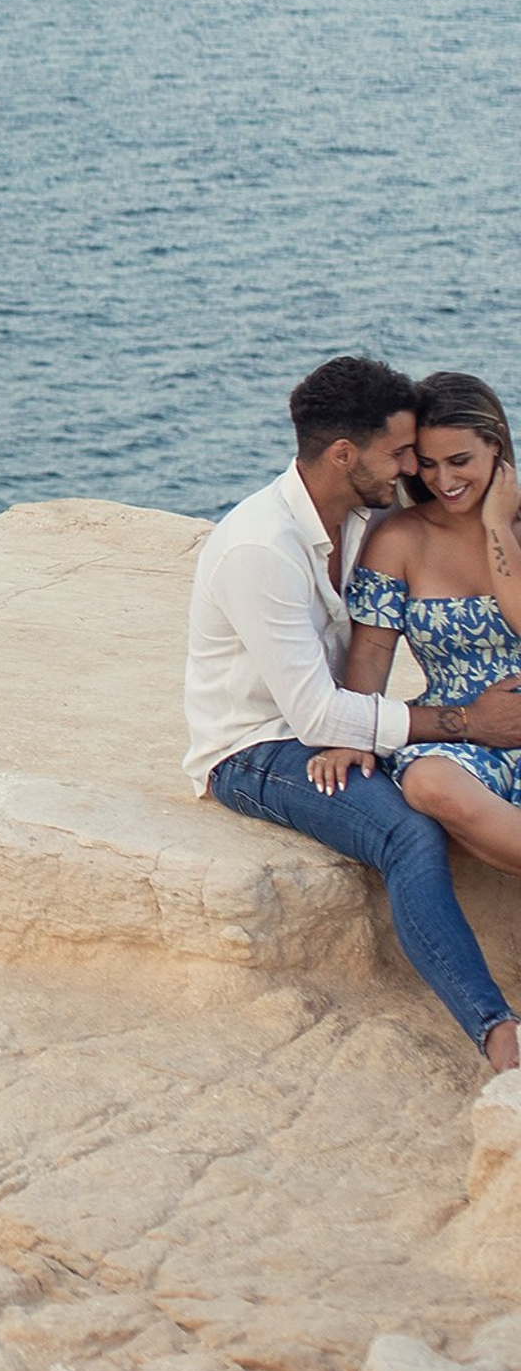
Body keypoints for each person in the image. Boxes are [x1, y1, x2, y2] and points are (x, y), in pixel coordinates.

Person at [186, 354, 521, 1072]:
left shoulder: (365, 517)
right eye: (403, 453)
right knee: (407, 831)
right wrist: (456, 722)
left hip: (325, 724)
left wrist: (357, 725)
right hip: (257, 749)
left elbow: (346, 691)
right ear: (345, 454)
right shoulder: (261, 549)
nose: (418, 470)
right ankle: (501, 1037)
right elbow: (315, 714)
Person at [323, 374, 521, 883]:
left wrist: (499, 527)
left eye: (460, 461)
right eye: (427, 463)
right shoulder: (402, 538)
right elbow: (370, 654)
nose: (442, 480)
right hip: (460, 730)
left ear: (495, 447)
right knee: (429, 784)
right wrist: (354, 732)